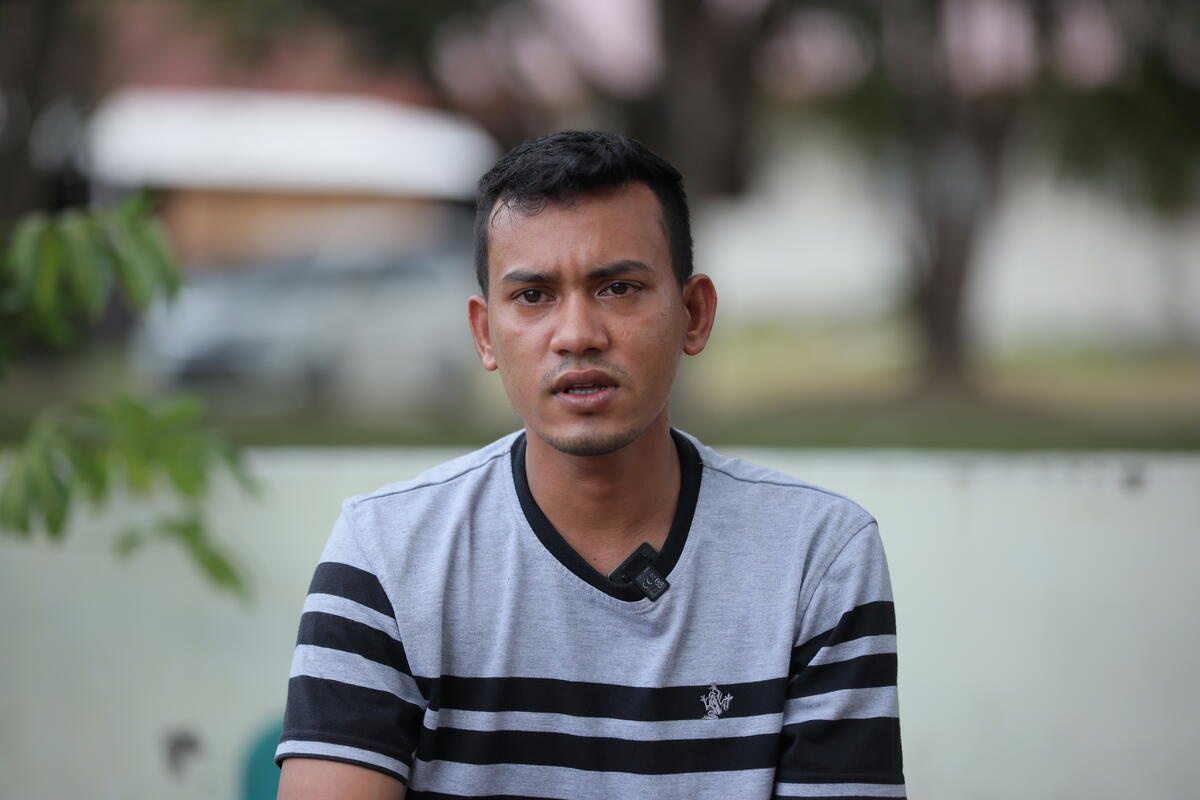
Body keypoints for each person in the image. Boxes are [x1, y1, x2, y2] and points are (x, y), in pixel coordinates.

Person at [275, 130, 905, 799]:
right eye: (534, 296)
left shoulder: (816, 558)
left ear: (694, 314)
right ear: (485, 334)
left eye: (619, 288)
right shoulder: (388, 554)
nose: (577, 334)